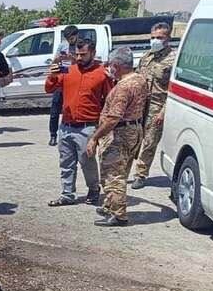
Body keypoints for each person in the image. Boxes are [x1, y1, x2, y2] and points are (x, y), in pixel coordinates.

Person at [45, 39, 112, 207]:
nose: (79, 58)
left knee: (87, 162)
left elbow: (109, 99)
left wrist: (103, 127)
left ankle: (94, 189)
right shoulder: (68, 69)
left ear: (93, 53)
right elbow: (49, 88)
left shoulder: (102, 73)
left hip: (87, 127)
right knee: (66, 162)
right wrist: (52, 75)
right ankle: (67, 194)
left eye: (83, 54)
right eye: (77, 54)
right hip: (66, 126)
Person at [85, 47, 148, 227]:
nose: (109, 68)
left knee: (113, 175)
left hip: (119, 135)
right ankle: (109, 205)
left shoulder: (123, 87)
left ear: (117, 65)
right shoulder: (140, 80)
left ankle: (118, 215)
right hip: (134, 130)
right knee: (122, 170)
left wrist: (95, 138)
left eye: (110, 65)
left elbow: (113, 118)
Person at [131, 22, 176, 190]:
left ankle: (140, 174)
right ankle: (124, 170)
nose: (155, 40)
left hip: (158, 106)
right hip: (140, 105)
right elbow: (136, 78)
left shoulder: (173, 59)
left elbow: (173, 89)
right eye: (153, 37)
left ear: (168, 38)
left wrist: (163, 112)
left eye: (159, 37)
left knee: (149, 142)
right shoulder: (146, 56)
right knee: (133, 138)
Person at [48, 26, 80, 146]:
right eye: (67, 39)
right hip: (62, 79)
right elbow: (54, 63)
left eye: (71, 38)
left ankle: (74, 132)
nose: (70, 41)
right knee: (55, 109)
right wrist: (57, 59)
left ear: (76, 35)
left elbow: (83, 63)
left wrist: (74, 59)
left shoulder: (81, 46)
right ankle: (53, 135)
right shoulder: (62, 46)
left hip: (75, 80)